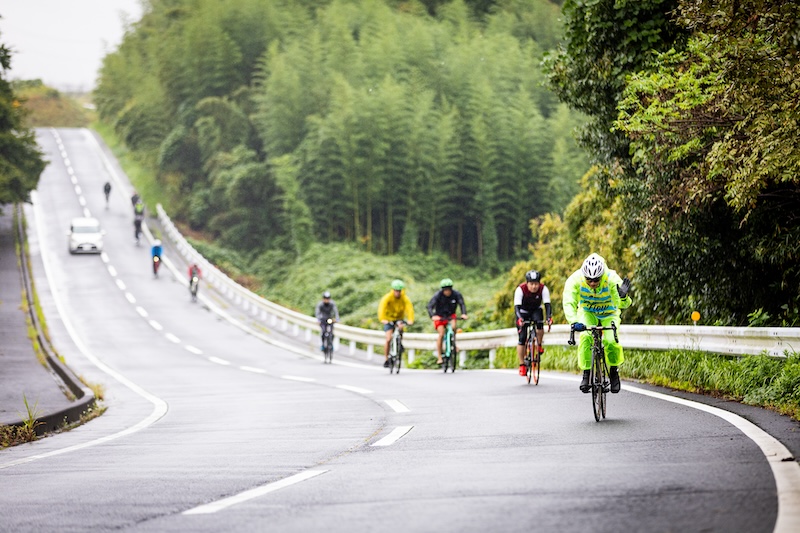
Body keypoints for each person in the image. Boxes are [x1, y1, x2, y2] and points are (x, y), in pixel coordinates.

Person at [563, 253, 632, 393]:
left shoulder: (612, 278)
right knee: (586, 337)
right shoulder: (575, 280)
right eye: (589, 280)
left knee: (611, 341)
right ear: (584, 276)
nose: (593, 283)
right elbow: (569, 302)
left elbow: (623, 305)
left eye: (596, 280)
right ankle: (586, 373)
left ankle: (613, 371)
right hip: (588, 312)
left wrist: (623, 297)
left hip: (609, 312)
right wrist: (574, 321)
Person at [514, 270, 553, 377]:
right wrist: (520, 319)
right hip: (523, 312)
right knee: (522, 338)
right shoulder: (520, 289)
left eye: (536, 284)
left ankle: (539, 344)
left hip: (536, 310)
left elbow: (547, 305)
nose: (534, 286)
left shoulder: (543, 289)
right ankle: (522, 364)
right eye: (531, 284)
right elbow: (516, 308)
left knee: (540, 324)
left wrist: (549, 318)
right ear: (527, 283)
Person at [427, 278, 468, 365]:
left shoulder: (456, 294)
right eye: (445, 290)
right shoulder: (438, 295)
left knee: (453, 327)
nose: (447, 291)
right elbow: (430, 306)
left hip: (450, 315)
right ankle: (439, 356)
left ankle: (453, 343)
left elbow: (462, 304)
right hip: (440, 317)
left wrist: (463, 314)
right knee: (441, 333)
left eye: (449, 289)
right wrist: (433, 316)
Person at [378, 279, 415, 367]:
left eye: (399, 291)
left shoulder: (404, 298)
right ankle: (386, 359)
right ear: (393, 290)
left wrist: (410, 320)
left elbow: (409, 309)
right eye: (396, 291)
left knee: (401, 327)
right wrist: (382, 319)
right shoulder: (388, 297)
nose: (397, 293)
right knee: (388, 339)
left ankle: (399, 343)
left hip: (399, 318)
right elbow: (381, 308)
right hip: (389, 319)